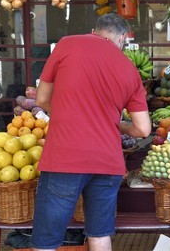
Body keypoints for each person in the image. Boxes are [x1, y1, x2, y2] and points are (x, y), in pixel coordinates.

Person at [31, 13, 151, 251]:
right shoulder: (129, 69)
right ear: (121, 40)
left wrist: (69, 113)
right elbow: (142, 129)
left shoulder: (67, 44)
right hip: (108, 162)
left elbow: (42, 99)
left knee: (46, 240)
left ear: (95, 31)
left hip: (65, 158)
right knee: (99, 234)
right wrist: (114, 123)